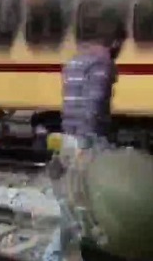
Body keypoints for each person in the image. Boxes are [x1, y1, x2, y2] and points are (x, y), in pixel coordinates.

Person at [41, 18, 126, 261]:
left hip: (68, 137)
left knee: (74, 207)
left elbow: (71, 107)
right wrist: (97, 146)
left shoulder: (74, 61)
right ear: (115, 41)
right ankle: (53, 257)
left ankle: (59, 255)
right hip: (86, 142)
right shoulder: (103, 63)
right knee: (90, 208)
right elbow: (95, 105)